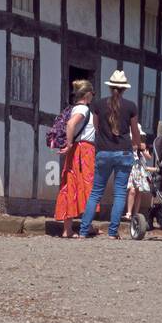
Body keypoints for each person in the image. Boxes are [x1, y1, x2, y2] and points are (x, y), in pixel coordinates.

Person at [78, 69, 147, 239]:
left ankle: (83, 230)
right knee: (119, 193)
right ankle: (112, 232)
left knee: (96, 193)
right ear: (124, 89)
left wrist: (105, 137)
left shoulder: (98, 105)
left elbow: (96, 126)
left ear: (110, 87)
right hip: (124, 152)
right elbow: (134, 131)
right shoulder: (131, 106)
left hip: (103, 152)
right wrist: (138, 146)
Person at [54, 79, 97, 238]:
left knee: (70, 185)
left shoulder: (75, 108)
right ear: (86, 94)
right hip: (84, 150)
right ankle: (86, 227)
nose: (93, 96)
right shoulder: (84, 110)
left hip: (77, 150)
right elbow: (71, 124)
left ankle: (68, 229)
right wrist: (70, 143)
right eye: (92, 93)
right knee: (88, 187)